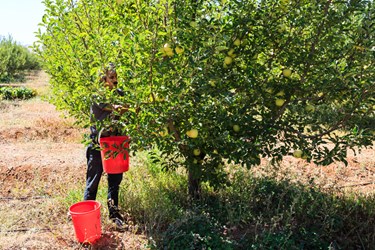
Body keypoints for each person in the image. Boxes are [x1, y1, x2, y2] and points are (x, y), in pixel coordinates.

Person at [83, 63, 126, 230]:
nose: (115, 80)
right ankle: (88, 217)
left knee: (115, 181)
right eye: (111, 77)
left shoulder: (120, 94)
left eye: (116, 77)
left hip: (115, 144)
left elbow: (127, 107)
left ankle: (114, 214)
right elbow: (115, 107)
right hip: (98, 145)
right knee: (93, 181)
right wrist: (125, 106)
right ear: (103, 79)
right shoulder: (97, 96)